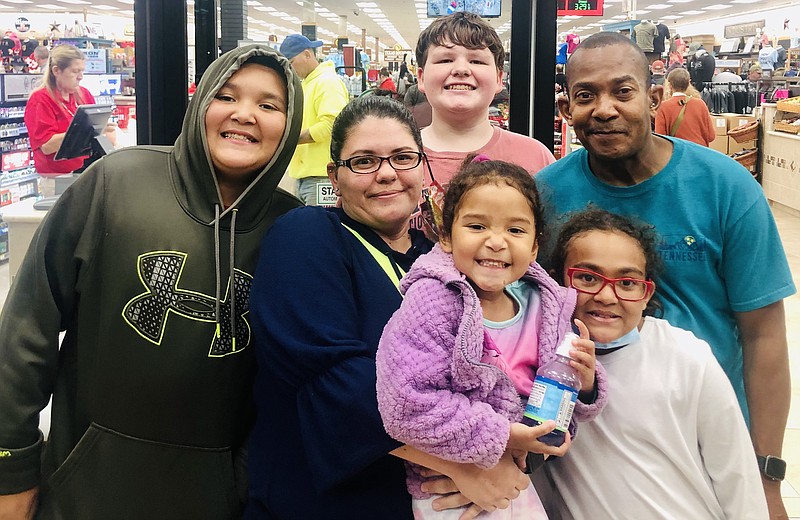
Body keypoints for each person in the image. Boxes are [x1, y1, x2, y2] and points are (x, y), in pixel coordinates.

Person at [0, 44, 303, 519]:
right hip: (84, 490)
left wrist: (241, 478)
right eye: (226, 95)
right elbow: (26, 329)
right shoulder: (114, 183)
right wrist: (11, 467)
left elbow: (290, 386)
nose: (245, 114)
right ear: (200, 102)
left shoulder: (293, 231)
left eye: (269, 105)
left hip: (217, 499)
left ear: (289, 128)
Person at [536, 31, 795, 519]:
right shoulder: (545, 195)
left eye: (622, 91)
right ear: (567, 107)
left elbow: (763, 337)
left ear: (653, 97)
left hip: (704, 437)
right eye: (585, 96)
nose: (604, 109)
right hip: (588, 450)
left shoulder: (725, 187)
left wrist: (766, 475)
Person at [246, 97, 541, 519]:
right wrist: (465, 464)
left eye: (403, 157)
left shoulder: (442, 259)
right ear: (334, 176)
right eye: (364, 161)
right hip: (328, 498)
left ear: (422, 166)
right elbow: (339, 379)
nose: (387, 174)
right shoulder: (307, 237)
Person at [376, 156, 607, 519]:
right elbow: (406, 405)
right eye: (477, 226)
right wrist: (504, 434)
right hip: (449, 484)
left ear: (534, 247)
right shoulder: (432, 303)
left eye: (515, 231)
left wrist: (588, 384)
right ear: (448, 236)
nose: (496, 242)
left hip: (518, 477)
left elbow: (562, 395)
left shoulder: (545, 305)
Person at [544, 208, 769, 519]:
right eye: (587, 277)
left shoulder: (687, 358)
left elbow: (737, 475)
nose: (607, 296)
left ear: (646, 293)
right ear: (556, 282)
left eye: (627, 283)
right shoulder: (542, 362)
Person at [415, 12, 554, 188]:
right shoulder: (394, 158)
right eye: (445, 60)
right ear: (421, 77)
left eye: (477, 61)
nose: (461, 70)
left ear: (498, 79)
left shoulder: (536, 157)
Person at [24, 44, 116, 175]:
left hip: (88, 170)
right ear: (56, 71)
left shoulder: (84, 94)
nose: (80, 76)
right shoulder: (40, 99)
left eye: (82, 71)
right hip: (56, 177)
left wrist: (103, 130)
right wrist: (86, 131)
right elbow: (47, 146)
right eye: (75, 71)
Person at [280, 33, 349, 206]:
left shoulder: (327, 82)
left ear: (307, 54)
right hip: (306, 176)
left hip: (322, 178)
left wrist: (292, 139)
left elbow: (332, 125)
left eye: (291, 63)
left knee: (320, 230)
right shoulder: (306, 84)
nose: (290, 69)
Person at [655, 68, 716, 146]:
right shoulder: (700, 104)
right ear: (688, 84)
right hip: (700, 154)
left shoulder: (663, 107)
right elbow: (711, 136)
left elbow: (661, 140)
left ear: (670, 85)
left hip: (678, 154)